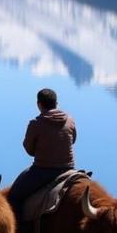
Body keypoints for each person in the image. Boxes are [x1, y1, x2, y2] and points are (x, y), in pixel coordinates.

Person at [7, 88, 77, 221]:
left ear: (39, 104)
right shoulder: (70, 120)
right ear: (57, 103)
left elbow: (29, 150)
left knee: (14, 197)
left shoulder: (36, 124)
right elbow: (73, 140)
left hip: (42, 171)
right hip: (69, 169)